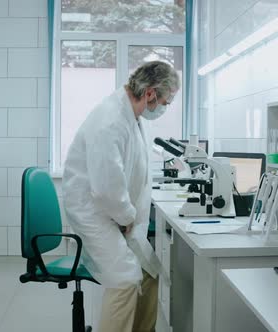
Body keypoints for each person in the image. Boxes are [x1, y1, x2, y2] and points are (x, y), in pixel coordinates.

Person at [62, 60, 180, 332]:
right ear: (150, 93)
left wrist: (129, 215)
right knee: (125, 279)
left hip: (117, 212)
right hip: (96, 213)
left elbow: (128, 169)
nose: (165, 108)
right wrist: (127, 216)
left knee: (150, 272)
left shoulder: (131, 116)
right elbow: (105, 187)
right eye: (166, 101)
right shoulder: (110, 120)